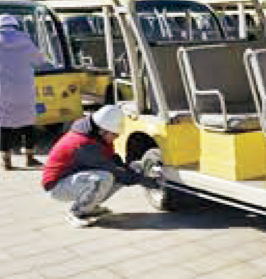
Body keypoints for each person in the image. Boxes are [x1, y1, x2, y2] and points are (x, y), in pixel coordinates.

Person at [42, 104, 157, 228]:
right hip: (57, 186)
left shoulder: (99, 136)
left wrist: (134, 171)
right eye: (115, 135)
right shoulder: (83, 144)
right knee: (103, 178)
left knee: (122, 173)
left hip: (75, 178)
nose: (117, 137)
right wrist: (143, 180)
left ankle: (89, 206)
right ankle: (77, 213)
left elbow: (114, 161)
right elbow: (113, 169)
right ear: (103, 131)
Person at [0, 14, 47, 170]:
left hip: (3, 90)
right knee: (28, 123)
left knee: (4, 125)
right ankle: (30, 158)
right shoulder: (25, 40)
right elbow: (40, 61)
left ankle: (6, 161)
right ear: (15, 25)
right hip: (24, 90)